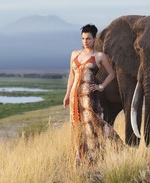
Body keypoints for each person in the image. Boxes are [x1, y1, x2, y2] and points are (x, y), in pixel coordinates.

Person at [63, 24, 122, 165]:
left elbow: (111, 74)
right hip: (74, 97)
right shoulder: (74, 54)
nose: (85, 41)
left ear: (94, 39)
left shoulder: (99, 56)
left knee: (93, 125)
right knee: (76, 126)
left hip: (89, 98)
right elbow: (71, 76)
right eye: (83, 38)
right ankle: (79, 158)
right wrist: (66, 95)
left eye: (88, 38)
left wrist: (101, 86)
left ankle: (96, 157)